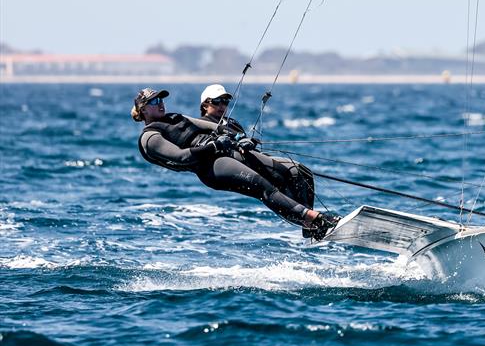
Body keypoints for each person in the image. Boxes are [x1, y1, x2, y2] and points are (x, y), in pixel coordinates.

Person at [131, 87, 338, 240]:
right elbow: (183, 157)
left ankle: (310, 227)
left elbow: (215, 127)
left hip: (225, 151)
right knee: (261, 185)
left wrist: (239, 137)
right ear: (143, 110)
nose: (160, 103)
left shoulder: (175, 116)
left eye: (160, 99)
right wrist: (214, 146)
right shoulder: (150, 137)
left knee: (291, 171)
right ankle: (316, 220)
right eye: (153, 101)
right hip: (211, 166)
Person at [198, 84, 319, 235]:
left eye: (225, 101)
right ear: (205, 104)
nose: (222, 105)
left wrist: (249, 142)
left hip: (251, 159)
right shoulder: (201, 124)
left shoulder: (232, 122)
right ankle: (309, 221)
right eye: (217, 101)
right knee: (279, 179)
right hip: (231, 167)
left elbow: (243, 142)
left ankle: (310, 225)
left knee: (303, 172)